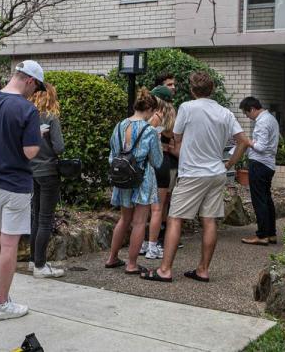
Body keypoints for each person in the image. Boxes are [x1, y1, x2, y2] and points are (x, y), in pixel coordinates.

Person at [141, 72, 248, 283]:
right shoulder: (225, 112)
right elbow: (243, 141)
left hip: (192, 173)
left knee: (174, 218)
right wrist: (230, 163)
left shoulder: (187, 108)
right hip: (217, 173)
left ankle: (164, 270)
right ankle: (203, 270)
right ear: (213, 89)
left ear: (192, 90)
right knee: (209, 221)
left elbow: (176, 137)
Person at [0, 60, 44, 321]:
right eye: (36, 87)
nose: (34, 93)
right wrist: (38, 136)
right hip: (15, 184)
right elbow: (29, 152)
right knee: (8, 245)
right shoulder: (27, 110)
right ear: (29, 80)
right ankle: (2, 303)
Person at [104, 89, 164, 275]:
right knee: (139, 222)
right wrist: (158, 138)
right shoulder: (150, 131)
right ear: (150, 109)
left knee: (124, 219)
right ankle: (131, 264)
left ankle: (112, 257)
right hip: (142, 178)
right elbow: (157, 161)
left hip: (122, 177)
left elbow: (112, 155)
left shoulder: (120, 126)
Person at [27, 84, 65, 278]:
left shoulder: (29, 118)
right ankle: (40, 266)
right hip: (49, 171)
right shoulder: (51, 118)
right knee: (45, 219)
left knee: (35, 216)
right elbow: (59, 147)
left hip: (32, 171)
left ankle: (33, 259)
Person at [239, 97, 280, 246]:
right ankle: (271, 234)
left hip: (260, 164)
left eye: (246, 113)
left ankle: (262, 235)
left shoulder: (262, 122)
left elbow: (261, 147)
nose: (247, 117)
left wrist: (246, 141)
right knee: (267, 200)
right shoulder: (271, 119)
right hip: (268, 165)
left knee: (259, 201)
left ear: (252, 109)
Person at [143, 86, 176, 260]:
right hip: (164, 163)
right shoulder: (171, 116)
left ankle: (147, 245)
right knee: (158, 208)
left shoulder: (155, 116)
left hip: (152, 162)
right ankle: (152, 245)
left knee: (150, 208)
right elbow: (172, 140)